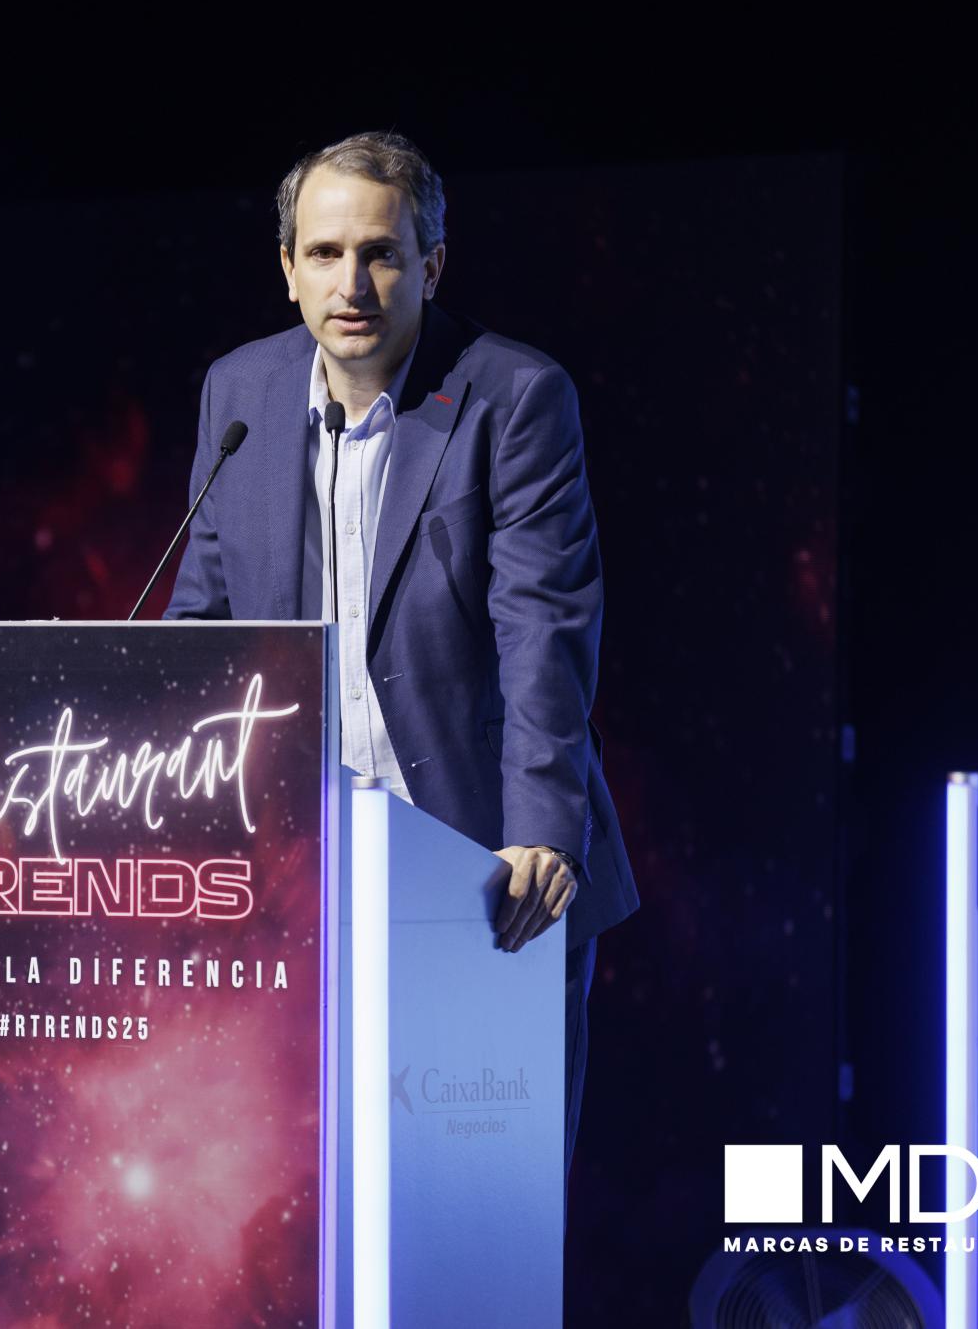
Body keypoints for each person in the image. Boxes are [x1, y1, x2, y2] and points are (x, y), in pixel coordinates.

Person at [163, 131, 637, 1175]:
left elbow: (542, 630)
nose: (352, 285)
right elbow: (203, 626)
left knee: (480, 1197)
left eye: (380, 253)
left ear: (430, 264)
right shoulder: (238, 393)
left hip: (483, 873)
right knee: (300, 1198)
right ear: (287, 268)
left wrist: (538, 835)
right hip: (297, 883)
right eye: (324, 253)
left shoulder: (514, 396)